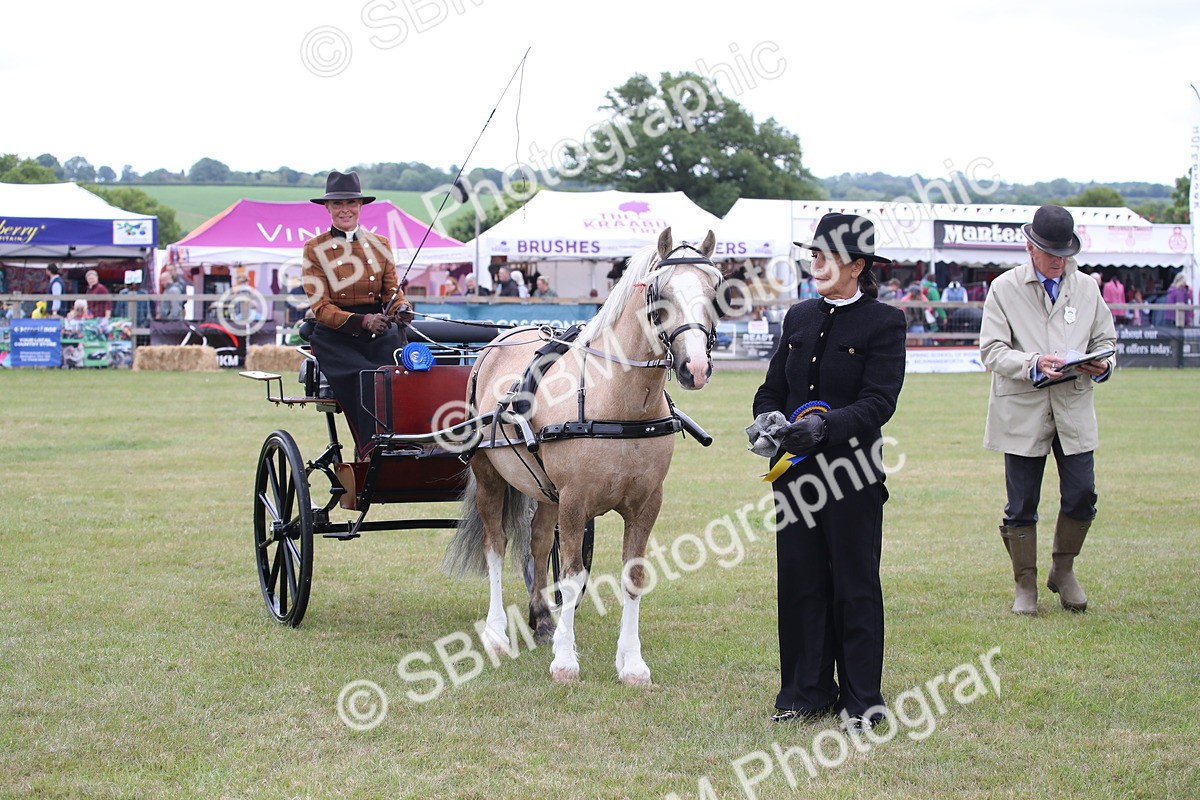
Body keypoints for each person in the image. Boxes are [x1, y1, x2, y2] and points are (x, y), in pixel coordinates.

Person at [750, 212, 906, 733]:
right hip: (792, 474)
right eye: (811, 255)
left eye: (824, 256)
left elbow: (878, 402)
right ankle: (804, 691)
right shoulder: (797, 316)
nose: (813, 263)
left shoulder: (885, 323)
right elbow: (774, 387)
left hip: (853, 476)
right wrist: (766, 421)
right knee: (799, 581)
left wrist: (822, 428)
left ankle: (862, 700)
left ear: (857, 265)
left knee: (854, 584)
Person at [980, 205, 1116, 615]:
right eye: (1052, 253)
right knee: (1021, 504)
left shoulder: (1088, 288)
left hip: (1073, 406)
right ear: (1030, 247)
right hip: (1023, 408)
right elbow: (991, 350)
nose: (1060, 261)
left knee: (1082, 495)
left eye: (1065, 253)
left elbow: (1107, 340)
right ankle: (1026, 585)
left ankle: (1064, 570)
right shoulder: (1003, 288)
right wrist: (1033, 362)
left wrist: (1102, 363)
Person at [300, 170, 414, 460]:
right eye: (338, 204)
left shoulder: (381, 244)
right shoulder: (314, 249)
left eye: (351, 202)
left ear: (361, 206)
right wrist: (362, 321)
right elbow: (320, 307)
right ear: (327, 208)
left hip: (379, 329)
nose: (345, 210)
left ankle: (406, 441)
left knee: (400, 375)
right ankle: (369, 447)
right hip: (336, 334)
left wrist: (401, 307)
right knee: (366, 378)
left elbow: (392, 291)